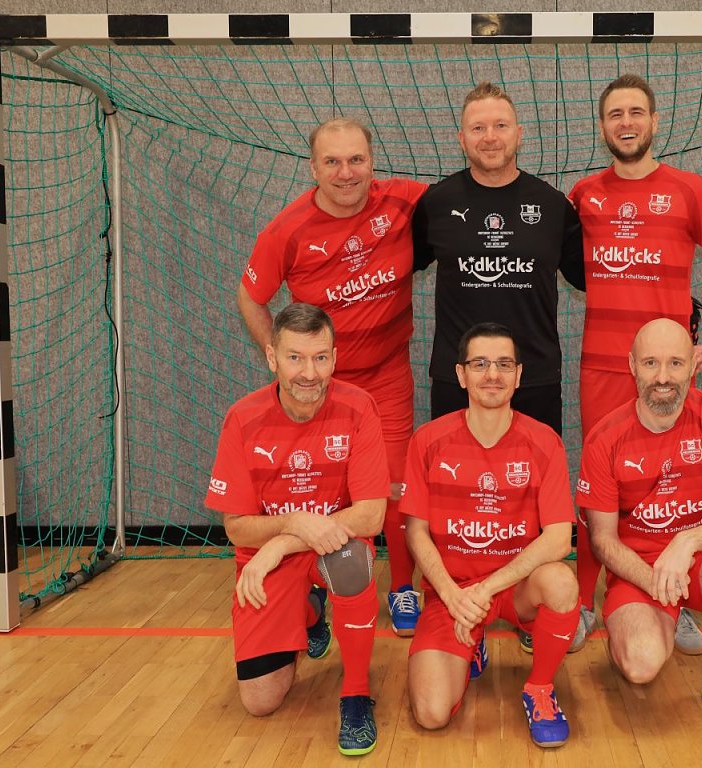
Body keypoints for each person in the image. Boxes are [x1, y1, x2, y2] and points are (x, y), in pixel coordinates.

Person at [568, 74, 702, 651]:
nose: (626, 123)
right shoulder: (583, 195)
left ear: (654, 121)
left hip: (668, 370)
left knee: (674, 483)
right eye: (615, 114)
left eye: (636, 112)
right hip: (604, 366)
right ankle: (584, 602)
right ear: (602, 127)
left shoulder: (688, 189)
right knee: (600, 491)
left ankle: (676, 597)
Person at [238, 118, 427, 637]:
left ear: (373, 162)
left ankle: (402, 587)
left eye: (356, 160)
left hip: (387, 375)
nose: (346, 173)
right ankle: (315, 588)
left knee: (393, 488)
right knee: (321, 490)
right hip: (320, 386)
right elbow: (250, 297)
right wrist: (286, 363)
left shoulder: (404, 202)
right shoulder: (286, 230)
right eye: (333, 162)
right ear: (313, 168)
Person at [576, 318, 702, 738]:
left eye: (675, 363)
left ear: (692, 366)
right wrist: (656, 581)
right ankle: (652, 620)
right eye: (651, 363)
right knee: (640, 666)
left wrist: (689, 540)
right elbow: (602, 541)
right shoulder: (605, 438)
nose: (663, 377)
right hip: (639, 571)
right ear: (632, 365)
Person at [205, 304, 389, 755]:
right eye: (295, 358)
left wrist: (286, 539)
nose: (309, 373)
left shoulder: (358, 407)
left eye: (320, 357)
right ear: (272, 357)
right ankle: (309, 612)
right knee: (260, 701)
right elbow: (236, 528)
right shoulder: (242, 418)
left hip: (334, 547)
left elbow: (371, 516)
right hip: (271, 559)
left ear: (334, 357)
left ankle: (356, 695)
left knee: (351, 564)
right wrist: (292, 523)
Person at [400, 323, 581, 748]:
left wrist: (486, 590)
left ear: (519, 375)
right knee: (430, 713)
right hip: (454, 592)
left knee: (560, 581)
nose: (493, 375)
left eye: (504, 364)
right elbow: (416, 531)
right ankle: (470, 644)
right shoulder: (427, 441)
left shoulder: (545, 443)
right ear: (461, 374)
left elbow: (559, 539)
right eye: (480, 364)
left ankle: (539, 688)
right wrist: (453, 596)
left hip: (515, 588)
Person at [412, 81, 584, 435]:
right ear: (462, 139)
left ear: (519, 134)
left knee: (537, 471)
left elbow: (592, 277)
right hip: (459, 380)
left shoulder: (553, 206)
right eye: (478, 128)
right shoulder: (436, 203)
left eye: (500, 126)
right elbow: (395, 267)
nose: (490, 137)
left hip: (532, 379)